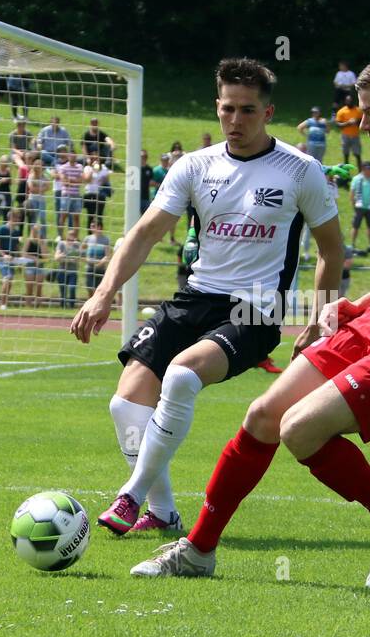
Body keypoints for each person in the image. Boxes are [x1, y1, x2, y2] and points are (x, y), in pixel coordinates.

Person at [130, 49, 370, 585]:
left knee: (298, 431)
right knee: (263, 415)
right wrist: (355, 304)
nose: (362, 126)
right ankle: (198, 551)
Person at [71, 57, 344, 537]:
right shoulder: (195, 167)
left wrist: (322, 316)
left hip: (255, 309)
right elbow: (144, 233)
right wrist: (104, 293)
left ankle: (130, 495)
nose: (235, 121)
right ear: (216, 108)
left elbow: (331, 248)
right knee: (126, 403)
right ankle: (163, 511)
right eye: (227, 109)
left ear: (268, 112)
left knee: (181, 374)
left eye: (247, 110)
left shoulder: (301, 171)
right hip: (196, 297)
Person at [350, 160, 370, 249]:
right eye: (367, 169)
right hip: (359, 206)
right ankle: (353, 244)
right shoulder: (356, 179)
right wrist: (353, 204)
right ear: (363, 169)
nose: (369, 171)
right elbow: (352, 192)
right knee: (355, 226)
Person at [335, 94, 363, 165]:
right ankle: (347, 173)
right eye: (347, 100)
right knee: (346, 154)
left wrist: (356, 122)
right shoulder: (341, 111)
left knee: (357, 154)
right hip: (345, 136)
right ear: (345, 101)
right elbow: (338, 125)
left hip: (355, 135)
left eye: (350, 100)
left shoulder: (358, 111)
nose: (349, 102)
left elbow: (362, 122)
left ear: (353, 101)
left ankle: (360, 172)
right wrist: (348, 123)